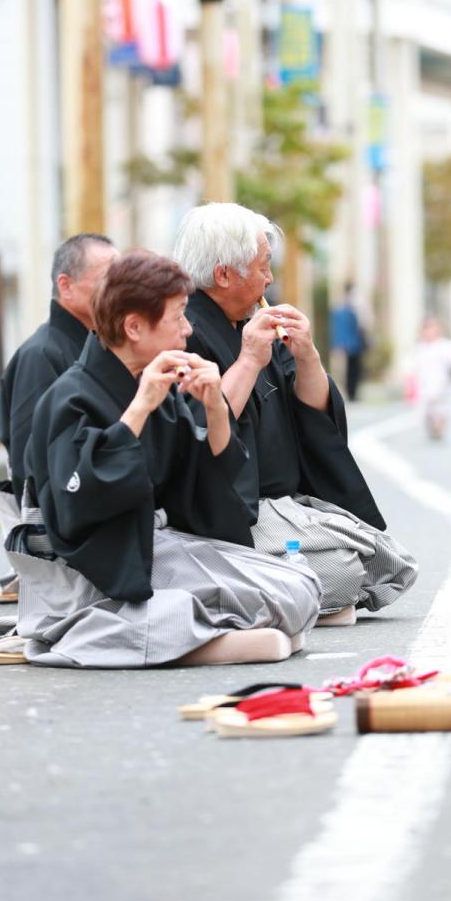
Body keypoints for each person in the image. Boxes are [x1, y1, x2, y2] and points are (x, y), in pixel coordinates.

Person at [12, 249, 320, 667]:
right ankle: (138, 630)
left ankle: (203, 631)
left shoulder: (156, 385)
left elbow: (204, 483)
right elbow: (78, 504)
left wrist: (214, 407)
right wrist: (138, 409)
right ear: (134, 326)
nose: (188, 330)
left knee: (301, 584)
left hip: (157, 546)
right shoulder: (69, 397)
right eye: (178, 317)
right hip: (99, 570)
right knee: (276, 601)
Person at [172, 202, 417, 625]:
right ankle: (288, 595)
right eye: (263, 266)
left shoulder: (254, 318)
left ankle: (296, 594)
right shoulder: (185, 331)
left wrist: (307, 356)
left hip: (288, 501)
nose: (270, 278)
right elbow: (199, 428)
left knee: (388, 559)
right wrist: (248, 359)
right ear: (224, 274)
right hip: (235, 515)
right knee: (346, 570)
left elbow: (315, 415)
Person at [0, 233, 118, 506]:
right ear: (66, 286)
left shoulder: (97, 344)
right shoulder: (41, 355)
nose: (119, 291)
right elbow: (31, 464)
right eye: (108, 280)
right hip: (65, 520)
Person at [407, 317, 451, 441]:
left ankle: (439, 426)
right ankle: (432, 426)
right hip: (424, 385)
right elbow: (410, 365)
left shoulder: (446, 346)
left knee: (441, 409)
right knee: (427, 411)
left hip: (442, 385)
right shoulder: (419, 348)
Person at [330, 283, 367, 401]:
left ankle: (352, 393)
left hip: (352, 343)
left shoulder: (347, 308)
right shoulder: (347, 309)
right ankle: (351, 393)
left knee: (352, 369)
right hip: (351, 344)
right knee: (351, 369)